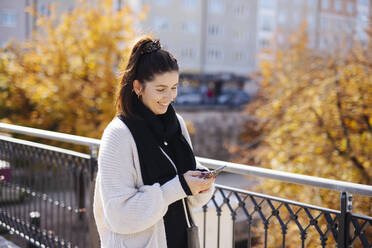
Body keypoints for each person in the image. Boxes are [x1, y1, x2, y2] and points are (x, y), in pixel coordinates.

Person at [93, 37, 215, 248]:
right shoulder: (118, 135)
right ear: (138, 87)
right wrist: (179, 186)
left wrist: (200, 182)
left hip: (182, 238)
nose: (169, 97)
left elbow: (187, 194)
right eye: (160, 89)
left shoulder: (176, 124)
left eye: (174, 87)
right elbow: (118, 216)